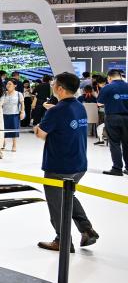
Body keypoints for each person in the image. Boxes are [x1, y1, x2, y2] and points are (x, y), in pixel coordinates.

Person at [35, 72, 100, 251]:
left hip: (59, 165)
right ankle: (87, 229)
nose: (52, 86)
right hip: (79, 163)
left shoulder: (56, 111)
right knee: (68, 196)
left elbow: (41, 134)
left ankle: (62, 240)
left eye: (54, 84)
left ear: (60, 89)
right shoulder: (79, 106)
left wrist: (37, 127)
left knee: (57, 204)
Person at [95, 69, 127, 175]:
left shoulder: (107, 87)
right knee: (127, 143)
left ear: (109, 77)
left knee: (114, 143)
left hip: (113, 117)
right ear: (120, 76)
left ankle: (117, 168)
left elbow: (99, 103)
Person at [0, 79, 25, 153]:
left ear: (15, 85)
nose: (8, 85)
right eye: (7, 84)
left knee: (14, 130)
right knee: (3, 129)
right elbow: (0, 103)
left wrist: (22, 112)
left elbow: (22, 104)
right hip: (4, 114)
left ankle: (14, 145)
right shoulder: (4, 93)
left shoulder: (19, 94)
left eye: (10, 84)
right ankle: (3, 143)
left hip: (14, 114)